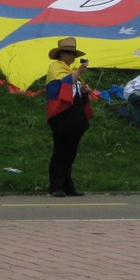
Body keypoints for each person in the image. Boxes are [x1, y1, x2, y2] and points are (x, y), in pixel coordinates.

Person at [45, 37, 93, 197]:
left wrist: (84, 92)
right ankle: (56, 186)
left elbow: (74, 92)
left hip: (74, 118)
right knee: (61, 151)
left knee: (70, 153)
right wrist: (78, 72)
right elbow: (59, 89)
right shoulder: (55, 68)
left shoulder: (71, 71)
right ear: (62, 54)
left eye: (74, 54)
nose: (73, 57)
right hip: (61, 116)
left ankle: (67, 185)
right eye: (70, 54)